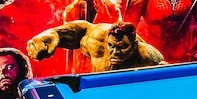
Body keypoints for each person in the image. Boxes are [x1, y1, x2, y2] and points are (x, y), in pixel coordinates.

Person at [27, 21, 163, 73]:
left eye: (123, 47)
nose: (116, 52)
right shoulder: (98, 41)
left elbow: (165, 70)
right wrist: (55, 33)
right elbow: (82, 31)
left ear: (134, 46)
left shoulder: (146, 55)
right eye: (111, 46)